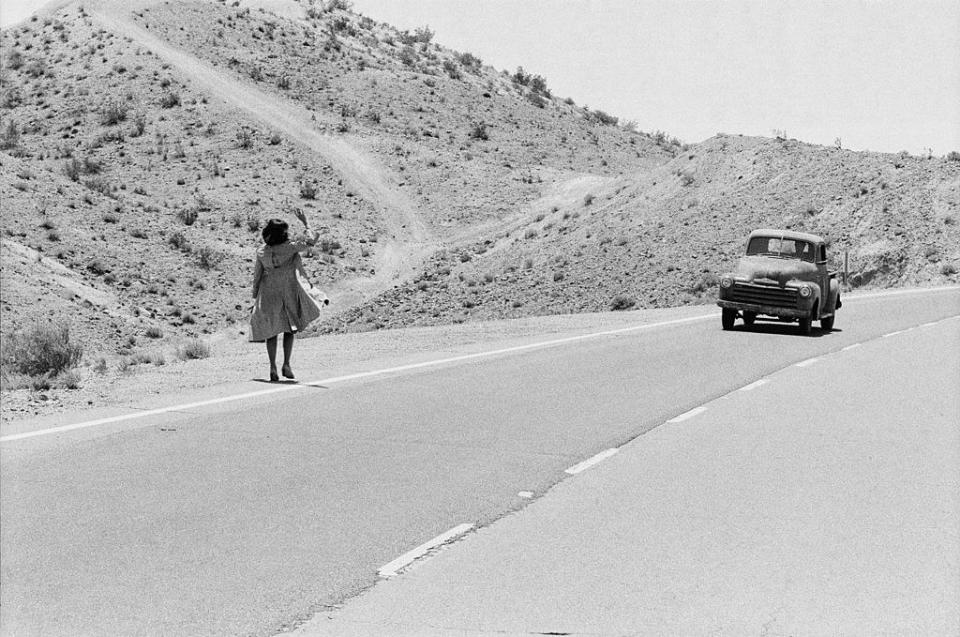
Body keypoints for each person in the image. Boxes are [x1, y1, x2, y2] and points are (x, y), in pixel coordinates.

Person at [249, 209, 324, 381]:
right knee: (291, 327)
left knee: (272, 330)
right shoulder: (289, 248)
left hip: (268, 292)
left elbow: (257, 275)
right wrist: (306, 222)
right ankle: (286, 364)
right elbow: (310, 242)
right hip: (288, 289)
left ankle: (273, 368)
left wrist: (255, 296)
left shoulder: (261, 251)